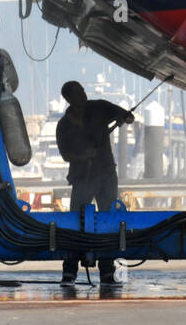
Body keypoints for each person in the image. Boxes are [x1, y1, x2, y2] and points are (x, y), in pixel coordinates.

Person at [55, 80, 134, 284]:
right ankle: (69, 271)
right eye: (77, 93)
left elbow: (125, 115)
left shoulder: (99, 107)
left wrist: (125, 117)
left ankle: (107, 270)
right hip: (81, 178)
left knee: (108, 220)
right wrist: (84, 155)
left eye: (82, 90)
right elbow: (65, 155)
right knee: (75, 222)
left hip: (106, 174)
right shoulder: (63, 125)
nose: (83, 95)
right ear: (69, 99)